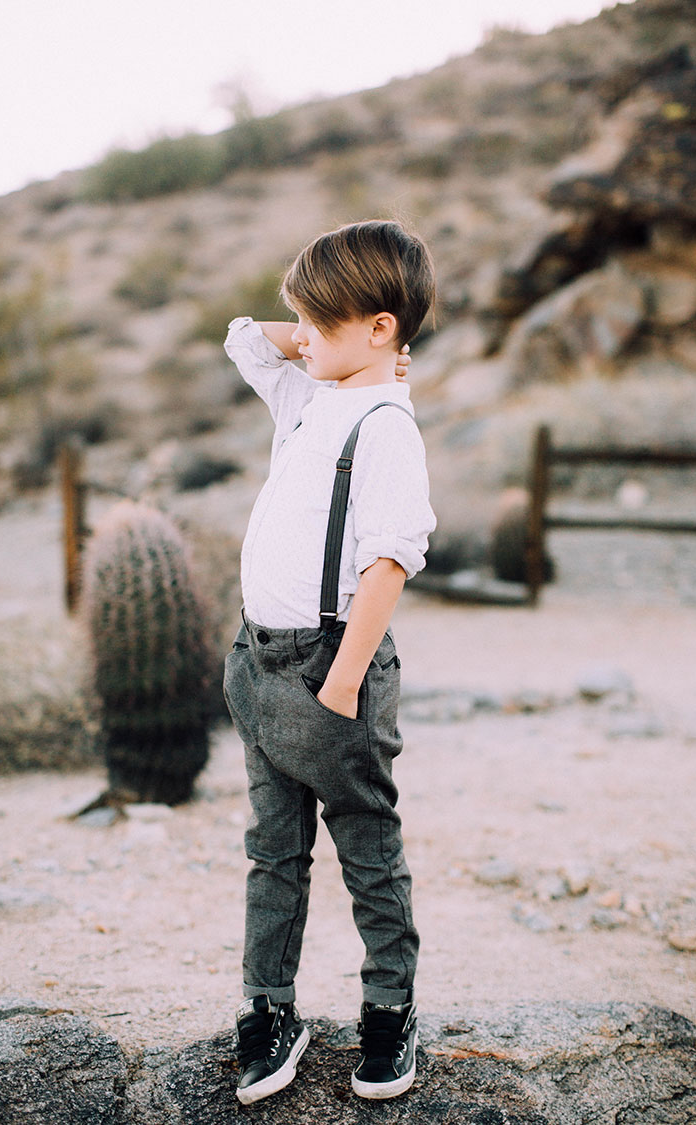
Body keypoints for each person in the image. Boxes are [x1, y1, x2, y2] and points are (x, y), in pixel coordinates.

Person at [222, 219, 436, 1105]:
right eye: (301, 322)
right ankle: (269, 1008)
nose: (300, 337)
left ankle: (390, 1009)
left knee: (366, 848)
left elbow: (390, 558)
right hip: (257, 663)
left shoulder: (385, 423)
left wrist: (343, 679)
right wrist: (314, 329)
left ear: (381, 325)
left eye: (320, 320)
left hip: (328, 670)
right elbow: (241, 337)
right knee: (273, 850)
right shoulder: (309, 393)